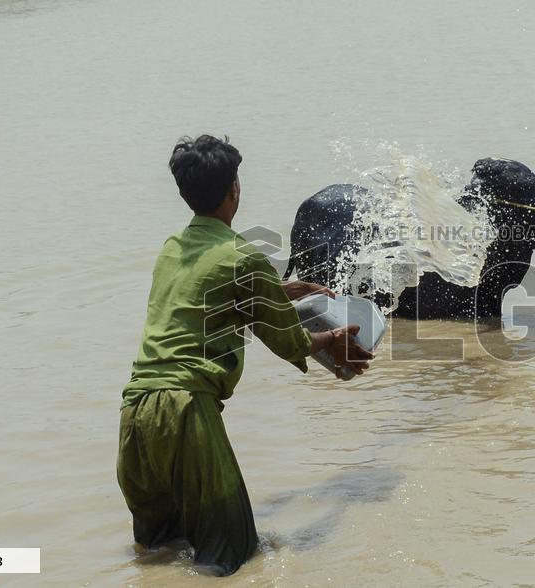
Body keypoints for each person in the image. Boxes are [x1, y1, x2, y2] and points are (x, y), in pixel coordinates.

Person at [117, 134, 373, 575]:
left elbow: (214, 294)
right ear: (234, 189)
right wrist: (331, 339)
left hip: (135, 417)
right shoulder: (243, 260)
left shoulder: (172, 249)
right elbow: (290, 342)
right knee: (231, 558)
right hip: (185, 414)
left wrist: (285, 289)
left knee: (160, 556)